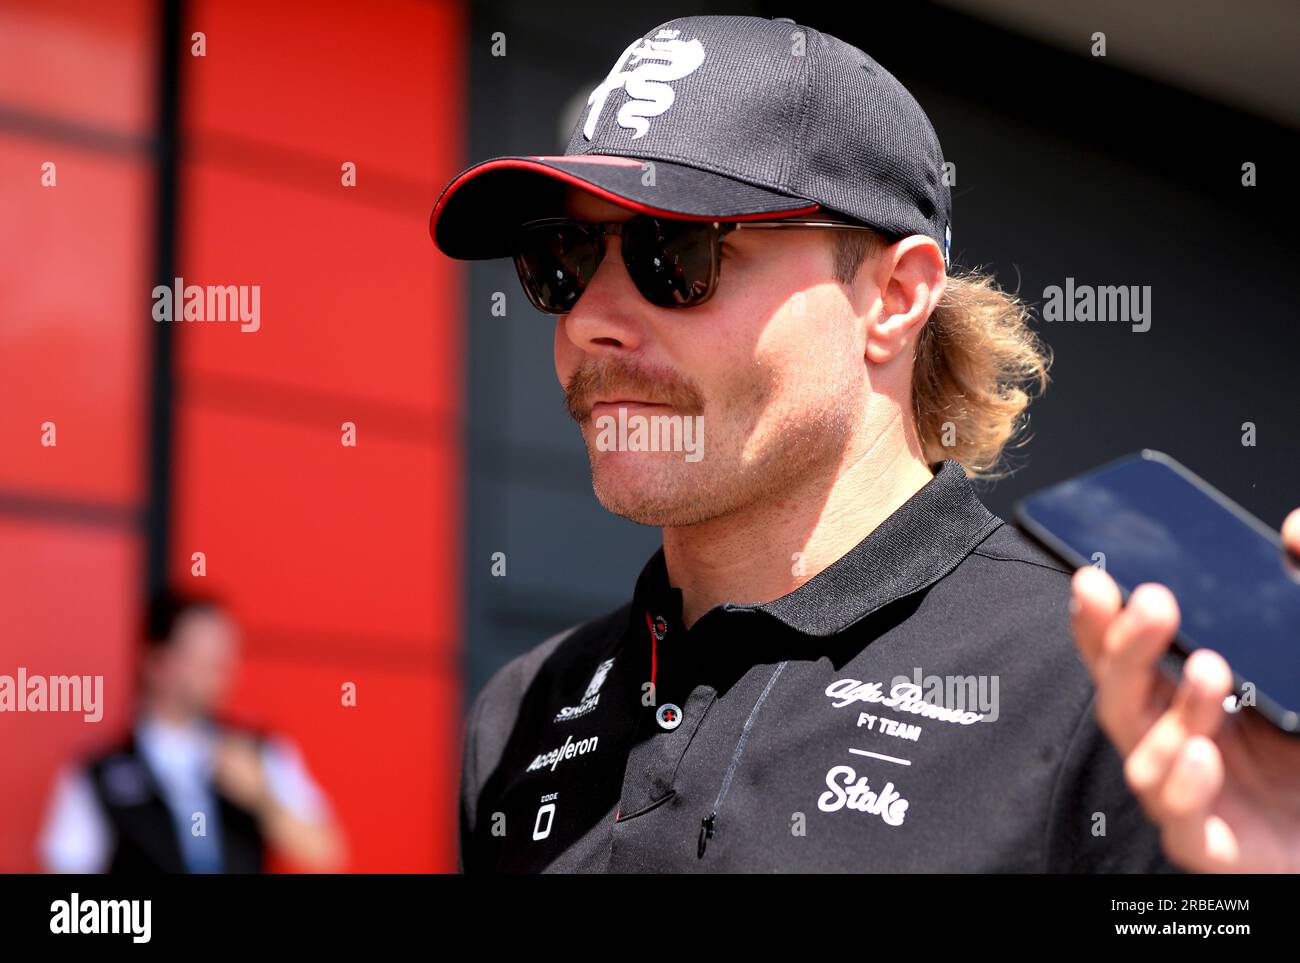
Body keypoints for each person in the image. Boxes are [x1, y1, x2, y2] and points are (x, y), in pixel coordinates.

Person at [430, 14, 1299, 872]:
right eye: (562, 257)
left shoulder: (1121, 683)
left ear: (893, 297)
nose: (590, 320)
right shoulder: (521, 712)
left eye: (675, 250)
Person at [38, 589, 346, 873]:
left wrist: (261, 797)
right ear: (156, 661)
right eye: (200, 657)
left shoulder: (255, 751)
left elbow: (324, 852)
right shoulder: (100, 774)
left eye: (223, 657)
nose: (218, 671)